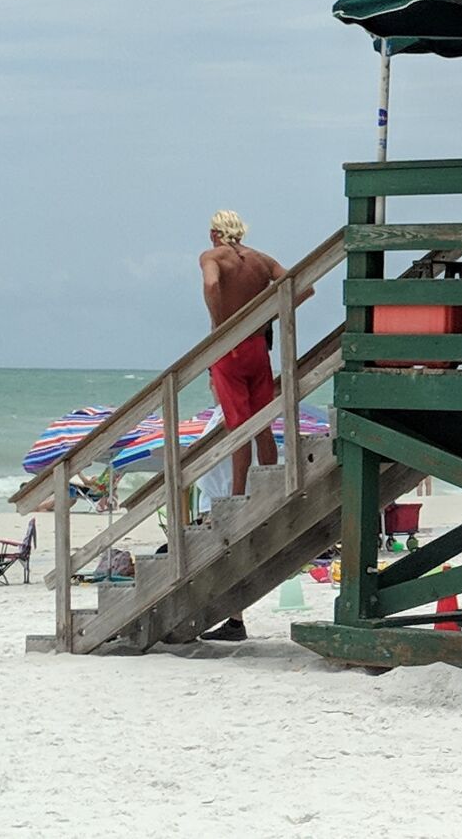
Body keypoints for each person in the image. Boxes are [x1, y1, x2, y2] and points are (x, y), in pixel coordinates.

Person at [197, 209, 312, 640]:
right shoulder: (262, 261)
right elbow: (304, 287)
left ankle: (241, 490)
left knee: (237, 424)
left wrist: (219, 323)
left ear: (214, 232)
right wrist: (265, 316)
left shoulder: (212, 256)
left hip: (228, 346)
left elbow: (211, 284)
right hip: (258, 346)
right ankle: (272, 477)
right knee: (263, 421)